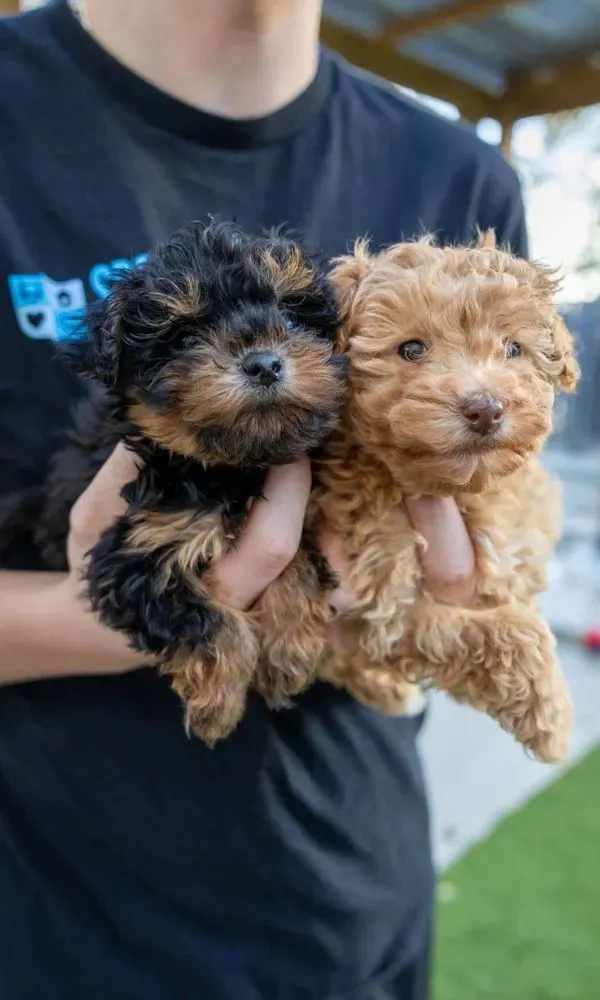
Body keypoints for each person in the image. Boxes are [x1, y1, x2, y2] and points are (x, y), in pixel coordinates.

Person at [0, 1, 528, 997]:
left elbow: (494, 540)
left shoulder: (462, 177)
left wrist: (446, 593)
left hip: (364, 922)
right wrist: (114, 617)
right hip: (59, 931)